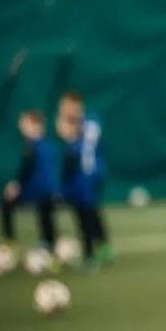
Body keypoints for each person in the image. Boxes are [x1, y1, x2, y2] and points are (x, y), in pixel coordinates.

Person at [57, 93, 114, 266]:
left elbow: (87, 143)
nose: (66, 110)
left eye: (69, 106)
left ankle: (91, 254)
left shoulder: (89, 122)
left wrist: (71, 132)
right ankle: (101, 246)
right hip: (74, 176)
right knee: (85, 212)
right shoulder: (66, 124)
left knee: (88, 212)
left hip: (89, 174)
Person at [0, 110, 58, 252]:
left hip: (39, 189)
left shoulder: (33, 147)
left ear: (35, 125)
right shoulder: (47, 144)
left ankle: (10, 240)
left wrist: (16, 185)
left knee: (7, 203)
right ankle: (48, 243)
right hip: (47, 190)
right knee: (45, 213)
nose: (22, 127)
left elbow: (27, 169)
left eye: (25, 124)